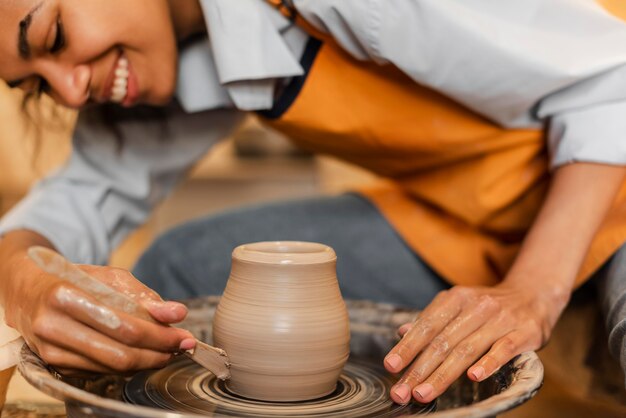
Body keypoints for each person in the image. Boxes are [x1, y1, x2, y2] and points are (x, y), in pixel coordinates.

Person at [0, 0, 626, 406]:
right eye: (35, 84)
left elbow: (611, 82)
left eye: (54, 34)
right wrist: (23, 281)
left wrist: (534, 291)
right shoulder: (166, 50)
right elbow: (75, 203)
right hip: (474, 215)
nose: (72, 89)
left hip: (608, 177)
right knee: (179, 271)